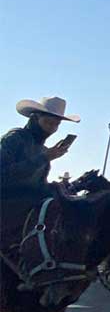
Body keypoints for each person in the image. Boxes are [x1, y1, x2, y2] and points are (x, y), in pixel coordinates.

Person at [1, 97, 80, 259]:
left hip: (27, 206)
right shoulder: (15, 138)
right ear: (35, 118)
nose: (52, 128)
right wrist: (44, 158)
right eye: (48, 122)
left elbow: (36, 183)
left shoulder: (42, 149)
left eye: (56, 124)